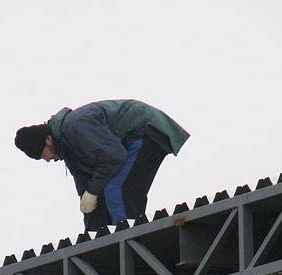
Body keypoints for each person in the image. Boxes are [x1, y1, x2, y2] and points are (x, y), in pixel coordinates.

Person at [15, 99, 190, 231]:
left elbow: (114, 157)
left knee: (118, 189)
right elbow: (87, 189)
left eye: (42, 154)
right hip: (125, 143)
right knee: (102, 194)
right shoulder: (68, 151)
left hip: (145, 130)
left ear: (48, 139)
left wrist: (92, 192)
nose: (46, 160)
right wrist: (91, 230)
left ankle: (130, 243)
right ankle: (108, 246)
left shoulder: (76, 126)